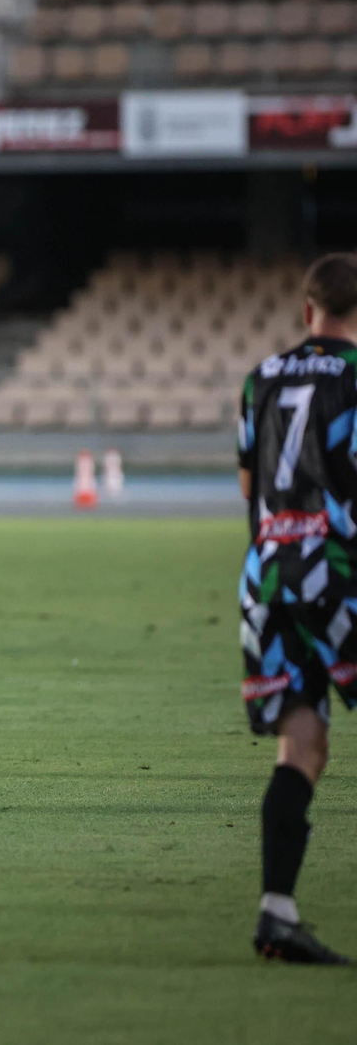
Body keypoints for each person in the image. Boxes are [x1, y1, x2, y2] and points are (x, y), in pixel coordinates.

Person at [238, 252, 357, 964]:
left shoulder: (262, 379)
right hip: (342, 572)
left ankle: (276, 914)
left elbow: (250, 486)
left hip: (269, 576)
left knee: (302, 746)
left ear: (306, 311)